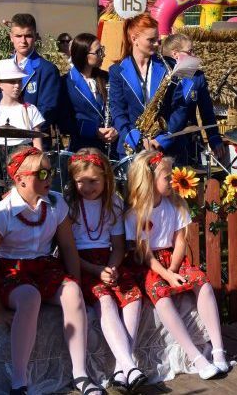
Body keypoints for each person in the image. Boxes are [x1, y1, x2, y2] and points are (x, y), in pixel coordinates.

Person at [0, 146, 102, 394]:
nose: (49, 178)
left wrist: (75, 281)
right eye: (41, 174)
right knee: (29, 297)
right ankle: (19, 382)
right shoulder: (2, 213)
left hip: (44, 266)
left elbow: (67, 246)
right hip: (11, 270)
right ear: (19, 179)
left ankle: (80, 374)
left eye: (50, 172)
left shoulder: (56, 203)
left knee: (73, 291)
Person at [123, 151, 229, 378]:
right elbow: (145, 253)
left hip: (172, 259)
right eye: (166, 177)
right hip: (148, 264)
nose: (171, 181)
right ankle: (196, 357)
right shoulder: (137, 213)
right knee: (160, 295)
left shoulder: (176, 204)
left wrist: (172, 269)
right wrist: (166, 276)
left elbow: (180, 241)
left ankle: (218, 350)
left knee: (203, 282)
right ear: (149, 179)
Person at [65, 149, 146, 390]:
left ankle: (123, 369)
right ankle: (129, 365)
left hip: (109, 260)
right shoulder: (70, 206)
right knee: (105, 300)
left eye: (94, 181)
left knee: (132, 296)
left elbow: (119, 246)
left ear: (106, 179)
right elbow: (67, 251)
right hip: (81, 262)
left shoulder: (114, 203)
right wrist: (97, 270)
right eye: (81, 182)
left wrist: (111, 266)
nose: (87, 187)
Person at [108, 14, 174, 157]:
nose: (157, 44)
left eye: (157, 39)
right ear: (134, 39)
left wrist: (162, 139)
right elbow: (117, 111)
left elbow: (178, 107)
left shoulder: (168, 66)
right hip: (131, 147)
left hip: (161, 145)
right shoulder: (117, 71)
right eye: (151, 40)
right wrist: (135, 138)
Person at [161, 33, 228, 166]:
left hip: (187, 142)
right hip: (160, 139)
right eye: (190, 51)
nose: (193, 55)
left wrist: (214, 137)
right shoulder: (160, 73)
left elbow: (207, 110)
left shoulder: (197, 76)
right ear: (175, 54)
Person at [0, 59, 46, 196]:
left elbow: (38, 148)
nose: (17, 85)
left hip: (26, 169)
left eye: (19, 81)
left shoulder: (30, 110)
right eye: (12, 81)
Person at [61, 33, 117, 154]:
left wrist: (115, 129)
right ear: (83, 55)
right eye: (98, 52)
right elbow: (65, 120)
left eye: (102, 50)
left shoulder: (107, 78)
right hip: (83, 148)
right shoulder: (66, 82)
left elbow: (119, 108)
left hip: (110, 148)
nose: (103, 55)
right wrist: (94, 131)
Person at [8, 13, 61, 130]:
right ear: (11, 37)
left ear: (36, 36)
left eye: (28, 36)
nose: (23, 41)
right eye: (18, 36)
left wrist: (24, 131)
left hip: (33, 138)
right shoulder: (4, 67)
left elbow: (48, 109)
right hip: (5, 138)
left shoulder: (47, 69)